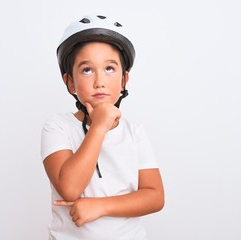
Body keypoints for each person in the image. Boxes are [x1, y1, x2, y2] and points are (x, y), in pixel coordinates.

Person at [40, 14, 164, 240]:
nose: (99, 81)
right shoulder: (57, 127)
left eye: (109, 68)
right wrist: (98, 127)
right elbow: (69, 188)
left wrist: (99, 206)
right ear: (70, 82)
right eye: (87, 70)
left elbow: (155, 197)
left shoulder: (134, 132)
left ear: (124, 80)